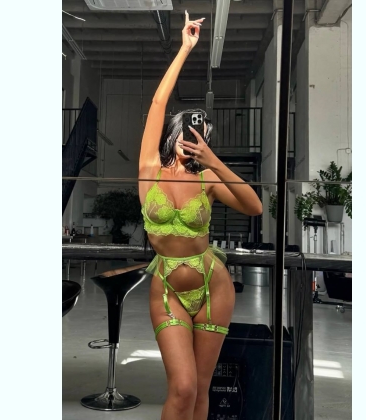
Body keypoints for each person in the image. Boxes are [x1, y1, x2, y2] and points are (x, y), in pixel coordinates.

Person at [138, 11, 263, 420]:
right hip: (167, 289)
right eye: (189, 132)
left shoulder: (208, 177)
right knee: (183, 388)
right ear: (175, 131)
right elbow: (158, 103)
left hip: (214, 287)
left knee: (201, 391)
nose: (194, 139)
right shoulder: (149, 169)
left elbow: (255, 206)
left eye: (202, 136)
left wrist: (215, 161)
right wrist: (185, 48)